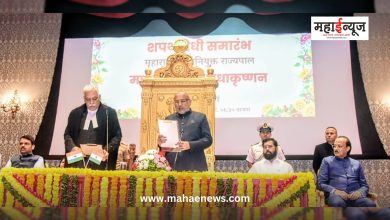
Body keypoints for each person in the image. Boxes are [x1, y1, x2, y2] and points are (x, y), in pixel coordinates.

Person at [64, 84, 122, 170]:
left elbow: (117, 136)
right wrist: (73, 147)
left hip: (98, 157)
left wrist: (106, 149)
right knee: (76, 181)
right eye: (88, 99)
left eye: (94, 99)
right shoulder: (75, 113)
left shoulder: (109, 113)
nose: (91, 102)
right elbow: (67, 135)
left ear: (99, 97)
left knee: (96, 181)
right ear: (84, 99)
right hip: (78, 157)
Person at [317, 136, 376, 207]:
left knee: (370, 204)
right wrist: (336, 191)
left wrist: (359, 192)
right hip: (336, 196)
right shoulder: (327, 161)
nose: (336, 148)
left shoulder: (356, 163)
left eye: (339, 146)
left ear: (347, 148)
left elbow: (364, 186)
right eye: (334, 146)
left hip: (356, 197)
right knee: (338, 204)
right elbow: (321, 184)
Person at [164, 92, 212, 171]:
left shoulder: (200, 117)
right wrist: (160, 143)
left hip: (194, 164)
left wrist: (190, 145)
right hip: (171, 165)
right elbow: (165, 143)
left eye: (182, 101)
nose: (179, 104)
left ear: (189, 102)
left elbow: (208, 140)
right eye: (176, 102)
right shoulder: (168, 118)